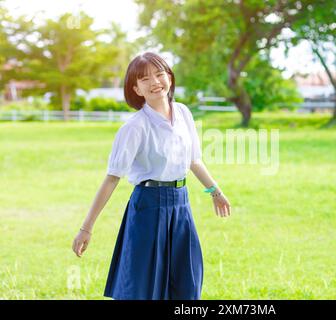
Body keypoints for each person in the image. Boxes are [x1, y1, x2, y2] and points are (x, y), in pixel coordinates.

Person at [71, 52, 231, 300]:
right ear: (136, 88)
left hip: (181, 203)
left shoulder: (183, 113)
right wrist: (86, 229)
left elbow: (193, 160)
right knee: (143, 286)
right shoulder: (134, 127)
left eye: (160, 74)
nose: (155, 82)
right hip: (148, 205)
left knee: (186, 280)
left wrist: (215, 192)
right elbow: (112, 178)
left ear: (169, 76)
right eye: (145, 79)